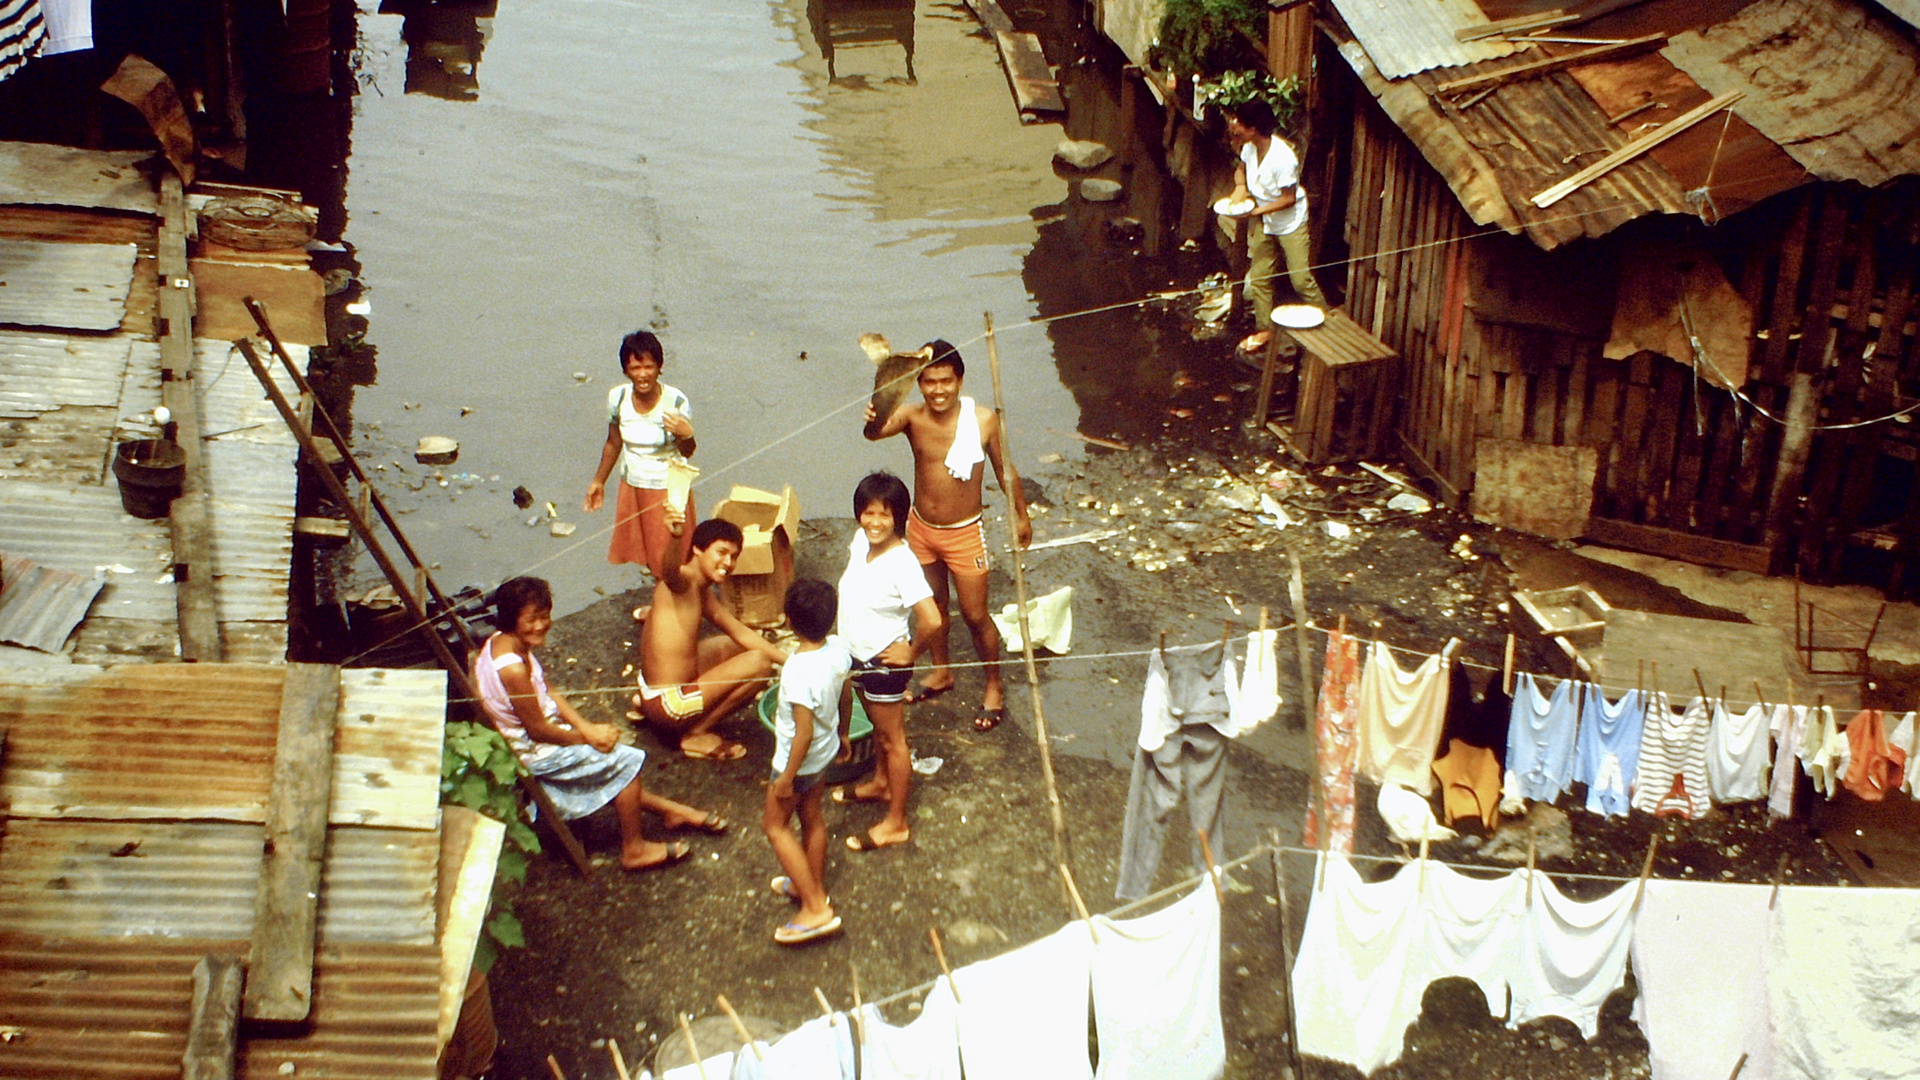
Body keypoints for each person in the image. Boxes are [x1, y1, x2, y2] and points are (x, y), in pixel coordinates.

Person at [473, 576, 725, 872]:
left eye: (546, 615)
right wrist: (588, 738)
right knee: (624, 760)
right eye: (533, 619)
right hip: (531, 751)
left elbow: (547, 689)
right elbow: (538, 730)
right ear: (510, 618)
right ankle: (634, 849)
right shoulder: (512, 669)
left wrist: (585, 726)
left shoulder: (501, 642)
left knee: (608, 753)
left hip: (536, 736)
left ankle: (674, 812)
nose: (542, 624)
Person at [863, 341, 1030, 731]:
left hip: (964, 533)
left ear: (959, 381)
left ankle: (994, 686)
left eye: (946, 381)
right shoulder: (912, 417)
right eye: (929, 382)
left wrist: (1021, 516)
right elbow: (873, 434)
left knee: (975, 615)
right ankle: (942, 672)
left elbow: (1007, 471)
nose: (938, 391)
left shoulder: (984, 419)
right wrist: (874, 414)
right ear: (919, 384)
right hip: (921, 529)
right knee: (934, 610)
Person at [835, 472, 944, 852]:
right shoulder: (859, 540)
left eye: (885, 514)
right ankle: (880, 783)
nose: (875, 522)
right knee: (880, 734)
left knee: (893, 740)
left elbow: (932, 619)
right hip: (856, 655)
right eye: (868, 512)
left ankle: (897, 821)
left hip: (884, 662)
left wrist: (910, 652)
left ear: (900, 517)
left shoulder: (903, 562)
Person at [636, 518, 786, 760]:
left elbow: (739, 632)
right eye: (721, 552)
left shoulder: (701, 589)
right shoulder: (682, 581)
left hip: (650, 694)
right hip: (668, 706)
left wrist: (790, 661)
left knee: (732, 645)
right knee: (760, 664)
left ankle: (643, 706)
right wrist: (675, 537)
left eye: (734, 556)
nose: (729, 563)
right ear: (697, 549)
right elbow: (669, 571)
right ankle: (696, 733)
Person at [761, 579, 851, 945]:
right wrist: (843, 734)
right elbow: (846, 692)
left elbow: (802, 733)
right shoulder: (837, 649)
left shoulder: (798, 669)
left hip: (796, 762)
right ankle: (810, 885)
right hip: (823, 755)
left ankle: (816, 908)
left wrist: (786, 778)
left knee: (775, 826)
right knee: (811, 817)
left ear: (788, 621)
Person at [584, 330, 696, 593]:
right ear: (626, 370)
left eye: (648, 366)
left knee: (668, 556)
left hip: (667, 488)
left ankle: (668, 608)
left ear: (659, 368)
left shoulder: (675, 401)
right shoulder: (618, 398)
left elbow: (688, 452)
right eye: (635, 368)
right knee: (650, 553)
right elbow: (614, 443)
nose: (642, 374)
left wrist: (685, 433)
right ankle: (664, 602)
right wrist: (598, 481)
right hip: (634, 485)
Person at [1222, 98, 1327, 356]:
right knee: (1260, 276)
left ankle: (1328, 322)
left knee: (1300, 279)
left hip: (1289, 221)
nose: (1236, 127)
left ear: (1254, 129)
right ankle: (1264, 328)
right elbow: (1241, 169)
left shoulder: (1283, 158)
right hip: (1264, 221)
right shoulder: (1249, 148)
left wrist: (1253, 211)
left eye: (1240, 124)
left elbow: (1288, 198)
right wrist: (1240, 189)